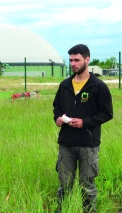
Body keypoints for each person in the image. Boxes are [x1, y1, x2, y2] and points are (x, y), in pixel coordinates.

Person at [53, 44, 113, 213]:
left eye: (77, 60)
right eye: (71, 60)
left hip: (88, 144)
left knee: (87, 186)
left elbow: (107, 113)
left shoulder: (98, 86)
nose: (73, 63)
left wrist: (84, 122)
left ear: (87, 59)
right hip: (66, 143)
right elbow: (57, 107)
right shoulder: (65, 85)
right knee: (64, 185)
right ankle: (62, 210)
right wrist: (57, 118)